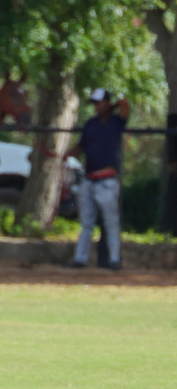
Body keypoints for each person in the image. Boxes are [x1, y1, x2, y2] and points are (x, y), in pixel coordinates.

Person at [69, 88, 128, 270]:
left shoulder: (116, 122)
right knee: (86, 223)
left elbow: (125, 104)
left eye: (98, 103)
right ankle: (80, 259)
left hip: (107, 181)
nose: (96, 107)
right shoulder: (90, 124)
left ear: (106, 103)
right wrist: (66, 155)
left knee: (111, 222)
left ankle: (114, 259)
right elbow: (81, 146)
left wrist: (112, 107)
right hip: (89, 179)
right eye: (94, 104)